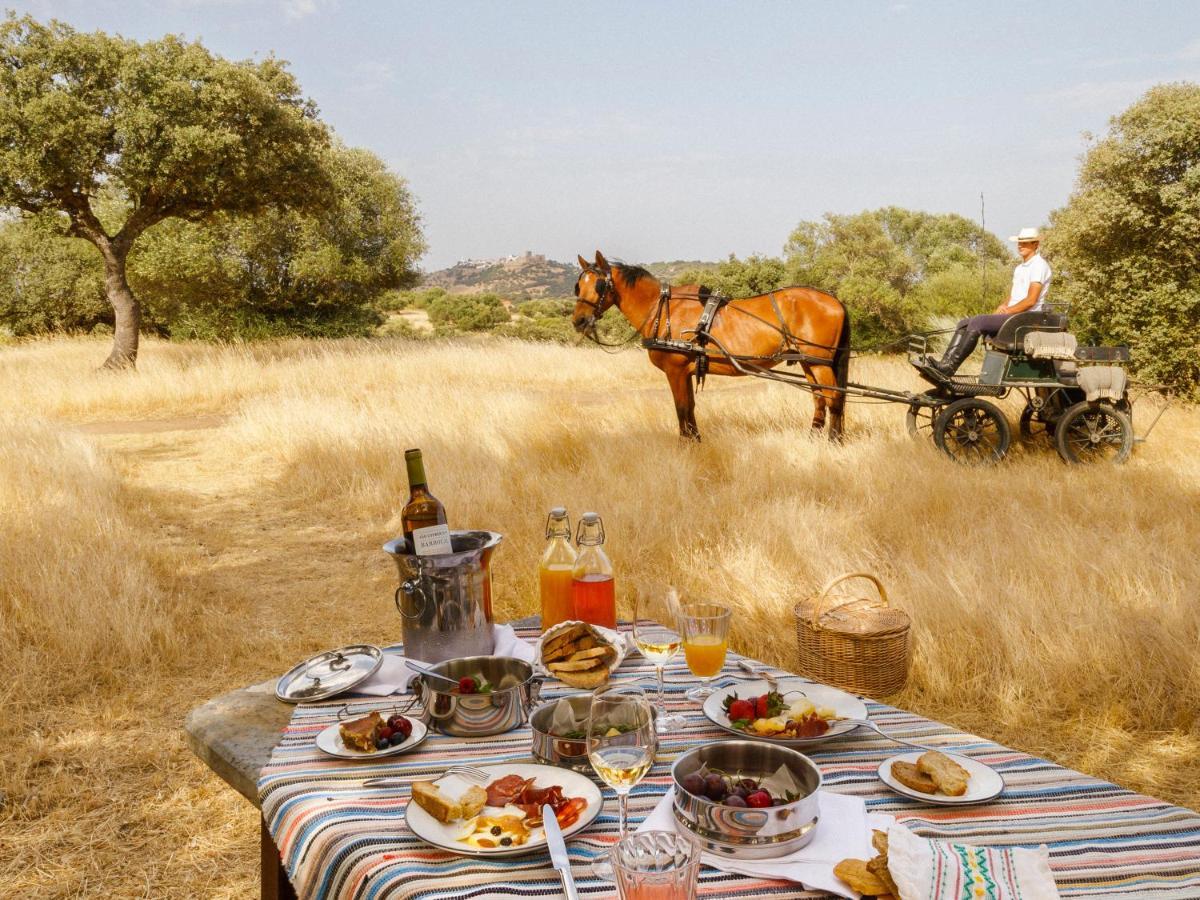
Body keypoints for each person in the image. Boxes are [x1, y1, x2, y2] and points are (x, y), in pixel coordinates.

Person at [931, 227, 1052, 376]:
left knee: (978, 322)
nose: (1020, 245)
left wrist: (1008, 311)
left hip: (1026, 318)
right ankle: (945, 363)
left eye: (1025, 243)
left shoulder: (1039, 266)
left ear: (1035, 245)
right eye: (1019, 242)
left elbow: (1030, 300)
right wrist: (1002, 306)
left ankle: (951, 367)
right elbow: (1015, 294)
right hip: (1015, 314)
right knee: (963, 323)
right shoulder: (1020, 268)